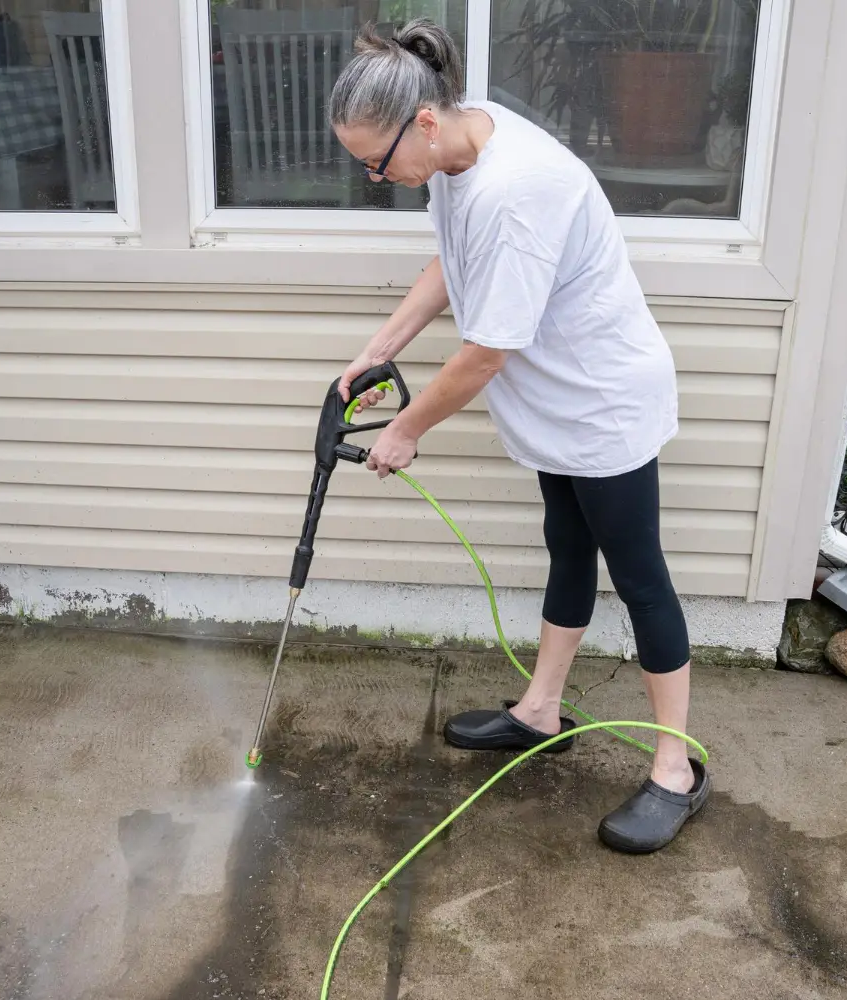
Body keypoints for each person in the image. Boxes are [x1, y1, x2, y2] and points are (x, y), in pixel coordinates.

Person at [328, 18, 707, 854]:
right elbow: (450, 260)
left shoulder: (514, 184)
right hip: (556, 399)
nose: (374, 175)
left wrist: (406, 430)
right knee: (567, 550)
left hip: (602, 401)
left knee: (640, 577)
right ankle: (539, 710)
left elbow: (488, 351)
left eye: (376, 161)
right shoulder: (461, 146)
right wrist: (376, 351)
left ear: (422, 122)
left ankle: (676, 770)